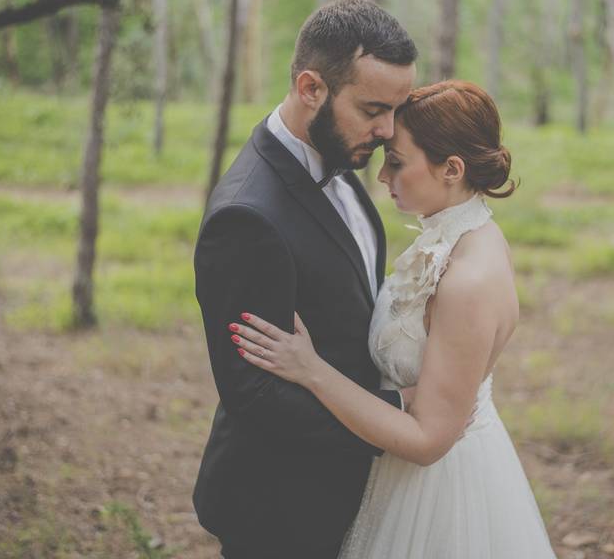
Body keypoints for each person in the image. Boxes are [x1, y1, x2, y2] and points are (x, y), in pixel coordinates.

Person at [232, 80, 558, 558]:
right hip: (397, 477)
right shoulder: (458, 234)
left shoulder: (468, 277)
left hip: (438, 495)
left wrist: (311, 370)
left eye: (398, 162)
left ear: (451, 168)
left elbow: (428, 441)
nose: (383, 176)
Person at [192, 0, 418, 559]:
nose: (388, 130)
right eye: (372, 109)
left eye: (396, 109)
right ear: (311, 87)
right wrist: (392, 420)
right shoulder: (246, 217)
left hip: (345, 494)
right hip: (280, 510)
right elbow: (255, 393)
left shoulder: (338, 160)